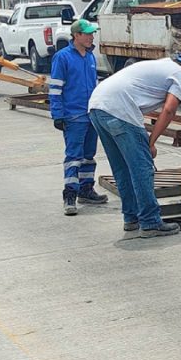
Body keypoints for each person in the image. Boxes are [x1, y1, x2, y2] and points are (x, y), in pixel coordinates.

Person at [88, 54, 181, 238]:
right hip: (119, 108)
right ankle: (150, 222)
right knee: (142, 168)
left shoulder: (162, 65)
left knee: (122, 168)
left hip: (97, 106)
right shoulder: (180, 73)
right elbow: (170, 109)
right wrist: (151, 142)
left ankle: (131, 218)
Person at [49, 19, 109, 216]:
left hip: (91, 114)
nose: (92, 36)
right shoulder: (63, 57)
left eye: (92, 33)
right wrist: (57, 115)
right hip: (73, 116)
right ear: (76, 36)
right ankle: (70, 195)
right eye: (88, 33)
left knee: (88, 155)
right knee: (74, 157)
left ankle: (86, 189)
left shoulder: (90, 57)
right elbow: (56, 88)